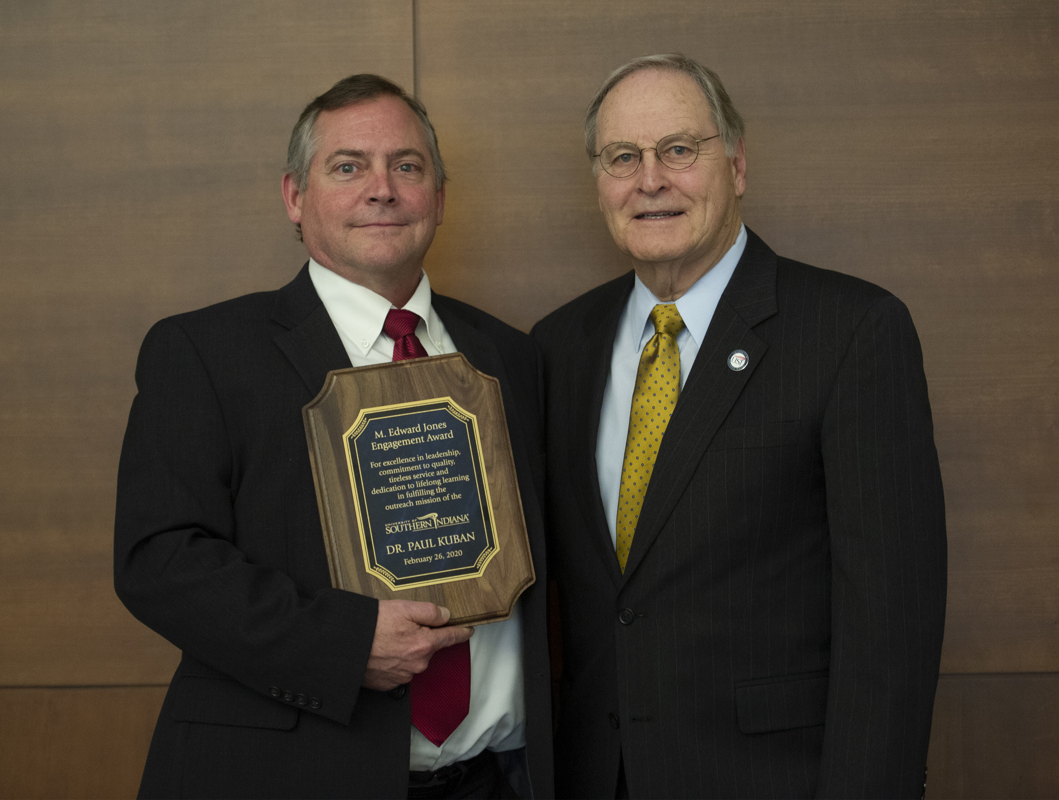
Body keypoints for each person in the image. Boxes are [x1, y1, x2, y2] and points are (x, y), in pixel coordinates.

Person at [114, 74, 552, 800]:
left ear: (439, 197)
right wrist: (344, 646)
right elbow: (157, 561)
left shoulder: (514, 356)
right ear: (295, 196)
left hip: (497, 780)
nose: (382, 190)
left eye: (407, 166)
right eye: (348, 167)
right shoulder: (204, 352)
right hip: (286, 777)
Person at [532, 54, 947, 798]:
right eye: (622, 156)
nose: (650, 180)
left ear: (737, 164)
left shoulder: (850, 332)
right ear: (598, 180)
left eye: (678, 150)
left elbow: (892, 623)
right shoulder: (559, 346)